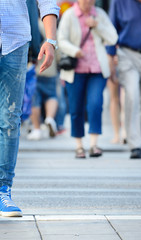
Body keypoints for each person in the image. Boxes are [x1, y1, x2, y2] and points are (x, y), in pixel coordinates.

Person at [0, 0, 59, 217]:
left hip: (16, 39)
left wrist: (51, 39)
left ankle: (3, 189)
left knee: (11, 117)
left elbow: (47, 2)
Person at [58, 0, 118, 158]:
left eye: (91, 0)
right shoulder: (70, 15)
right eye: (85, 0)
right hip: (75, 70)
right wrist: (74, 50)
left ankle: (94, 144)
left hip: (97, 69)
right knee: (76, 108)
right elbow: (61, 39)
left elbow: (113, 38)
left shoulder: (100, 15)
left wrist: (98, 25)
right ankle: (79, 146)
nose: (88, 3)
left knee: (95, 104)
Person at [107, 0, 141, 159]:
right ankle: (135, 143)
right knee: (132, 95)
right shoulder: (118, 2)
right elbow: (112, 28)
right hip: (127, 54)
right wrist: (110, 55)